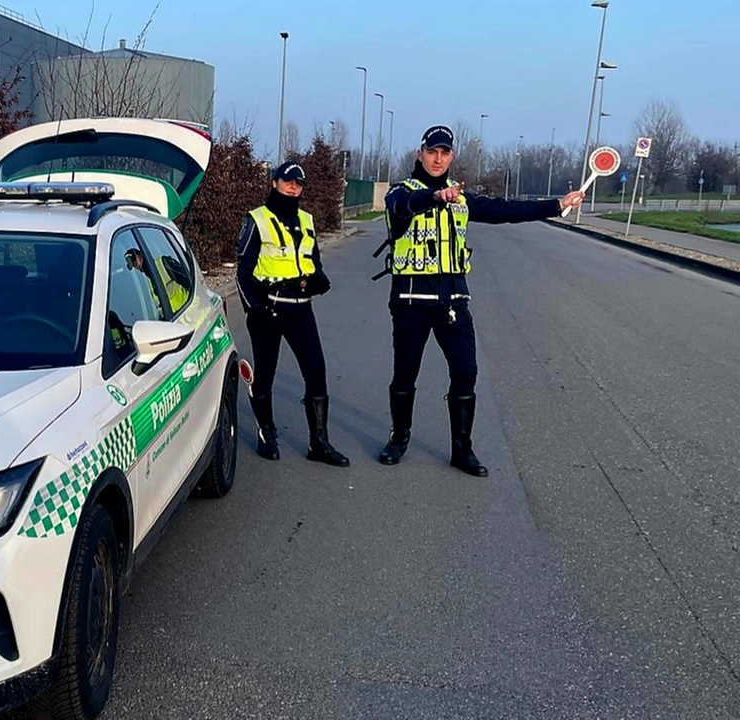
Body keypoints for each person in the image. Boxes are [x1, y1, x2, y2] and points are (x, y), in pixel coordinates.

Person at [373, 125, 585, 476]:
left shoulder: (461, 198)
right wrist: (434, 197)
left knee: (466, 373)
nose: (438, 158)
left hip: (453, 302)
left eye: (445, 152)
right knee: (405, 373)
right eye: (432, 152)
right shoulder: (401, 192)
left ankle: (462, 449)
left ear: (452, 156)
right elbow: (403, 207)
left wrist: (557, 205)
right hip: (411, 300)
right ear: (420, 153)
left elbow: (505, 210)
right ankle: (399, 437)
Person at [235, 161, 349, 467]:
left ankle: (319, 443)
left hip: (301, 309)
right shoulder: (257, 219)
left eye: (298, 183)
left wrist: (317, 280)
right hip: (269, 309)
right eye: (287, 181)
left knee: (316, 372)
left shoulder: (307, 220)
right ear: (274, 182)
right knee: (266, 374)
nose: (293, 187)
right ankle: (266, 433)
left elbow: (313, 261)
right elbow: (242, 273)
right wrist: (253, 309)